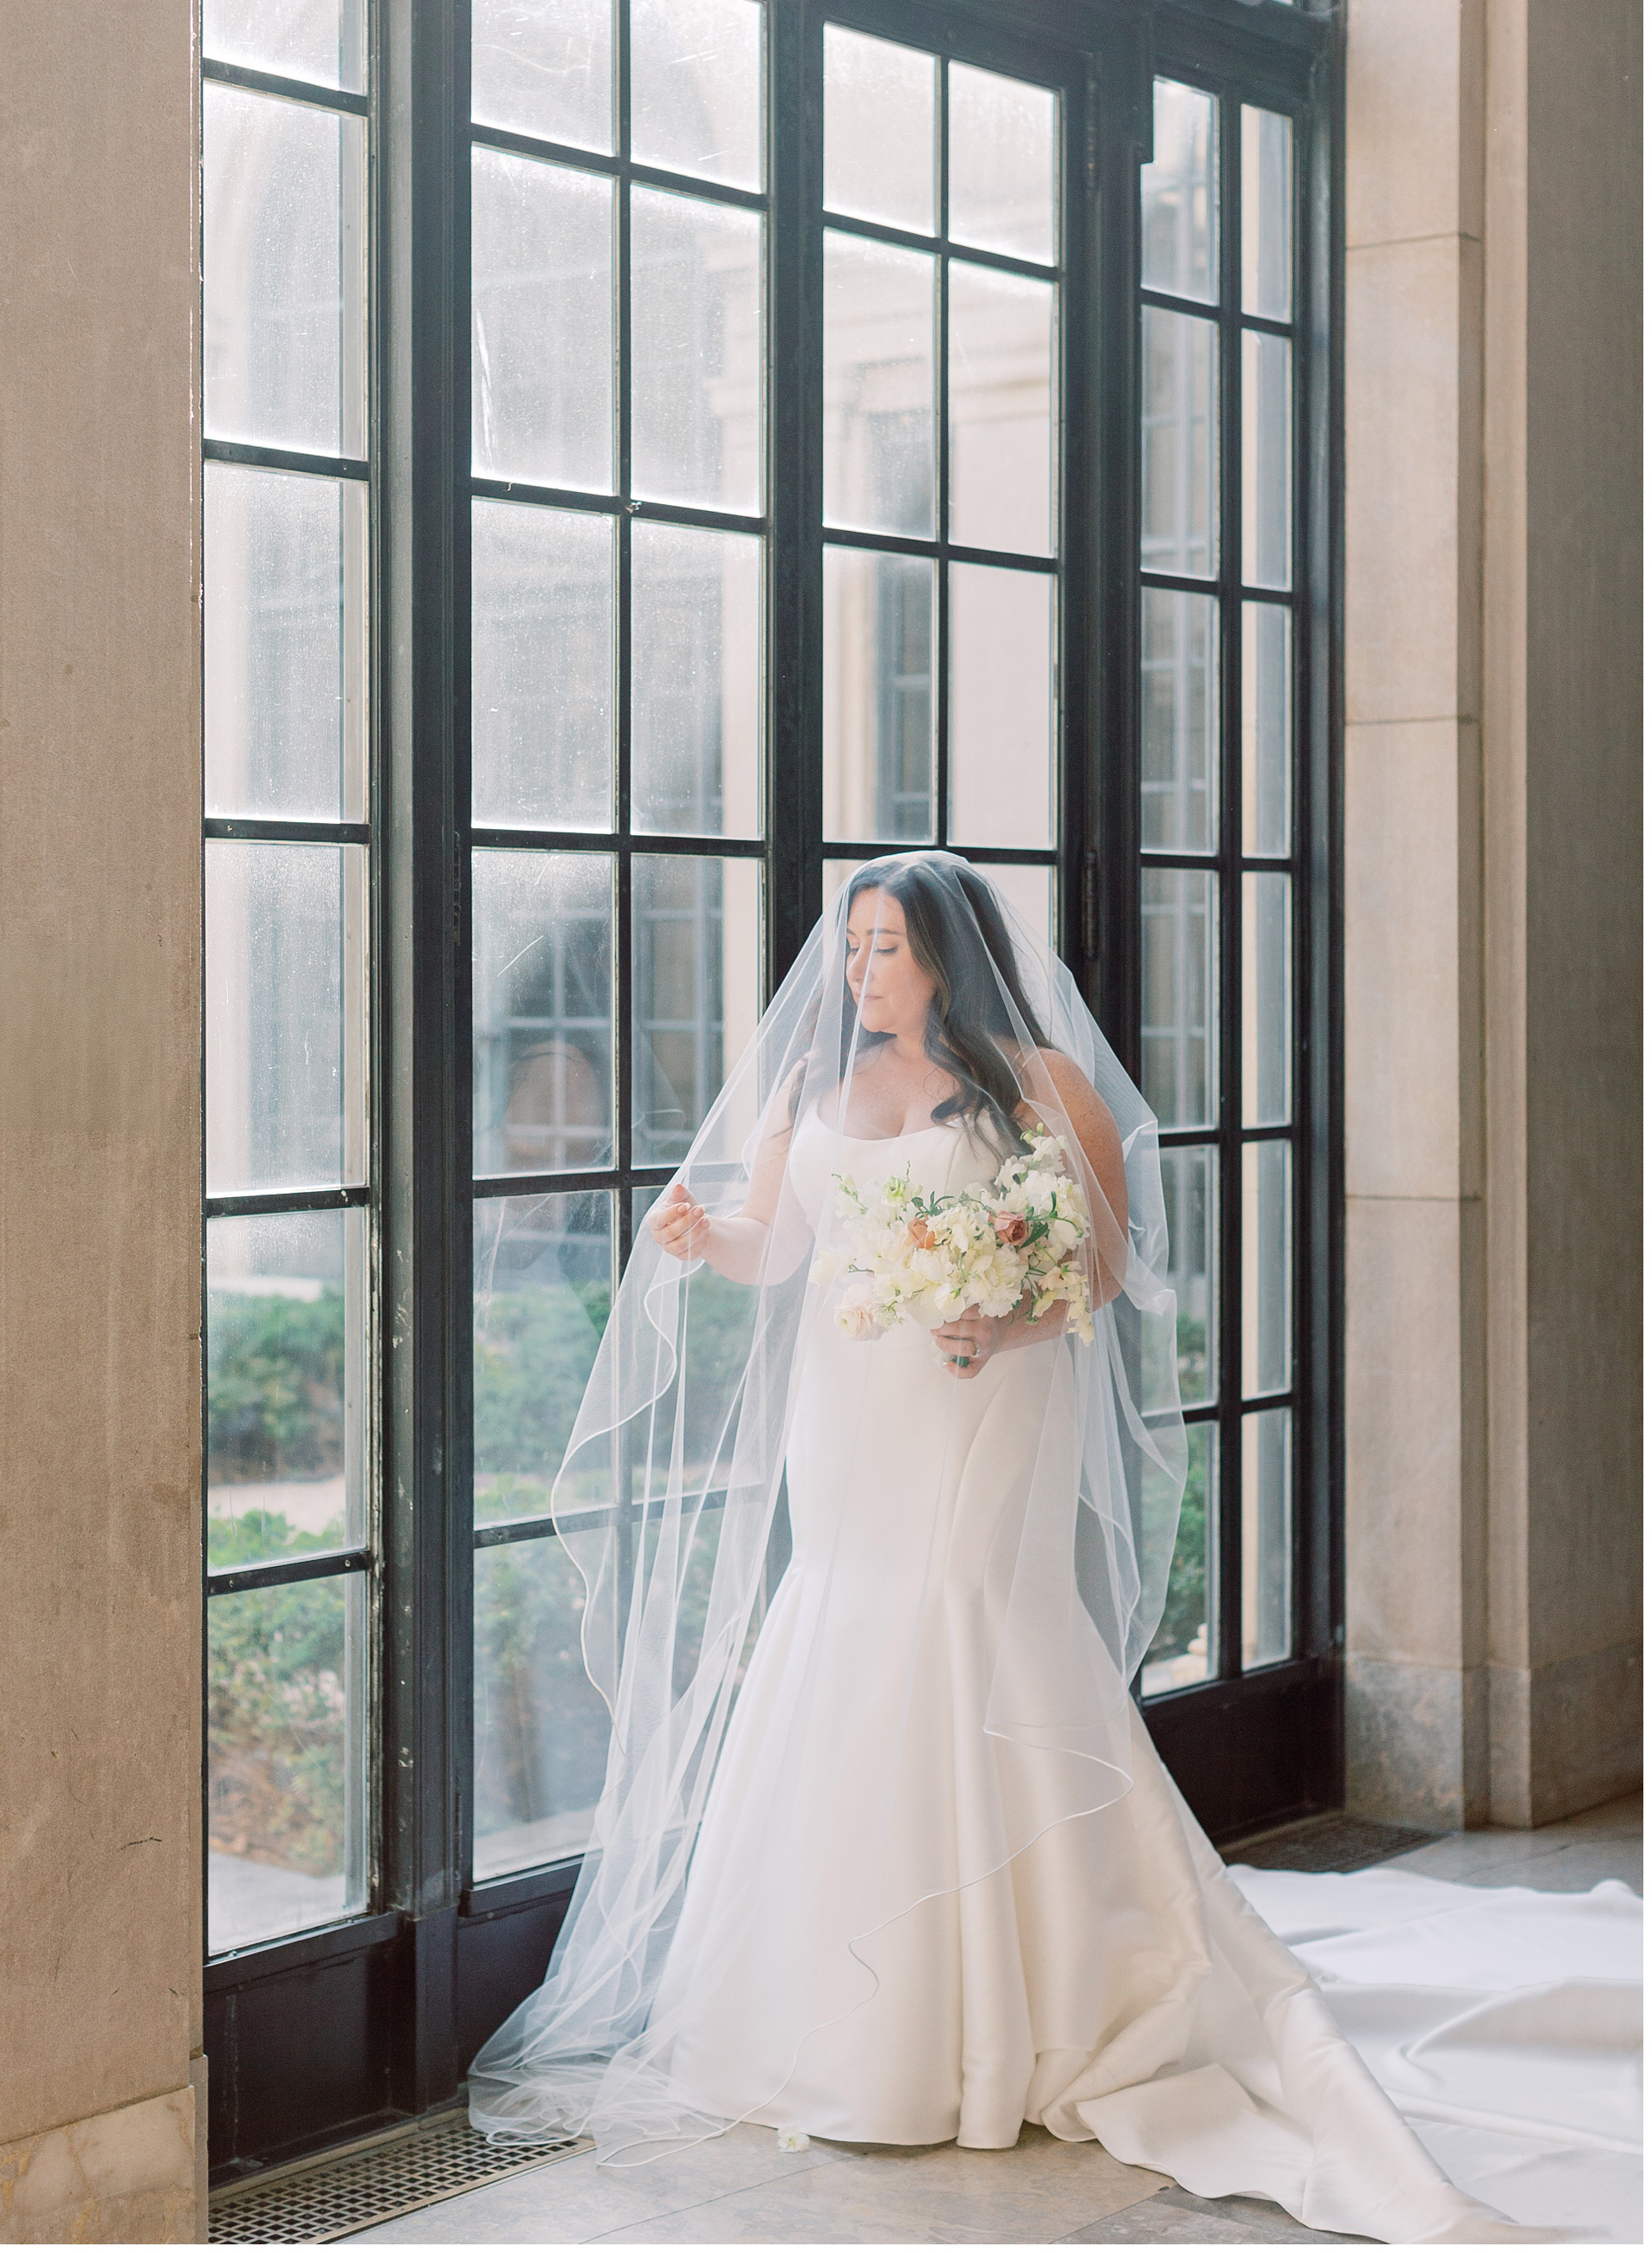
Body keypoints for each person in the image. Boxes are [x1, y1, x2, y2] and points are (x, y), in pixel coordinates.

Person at [469, 853, 1552, 2243]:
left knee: (976, 1619)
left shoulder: (1041, 1080)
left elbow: (1102, 1266)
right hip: (851, 1406)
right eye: (851, 949)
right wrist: (701, 1234)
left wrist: (1001, 1320)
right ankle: (853, 2018)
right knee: (847, 1624)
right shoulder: (815, 1090)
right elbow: (778, 1248)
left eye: (887, 950)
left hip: (989, 1395)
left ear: (949, 957)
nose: (861, 975)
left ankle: (1034, 1994)